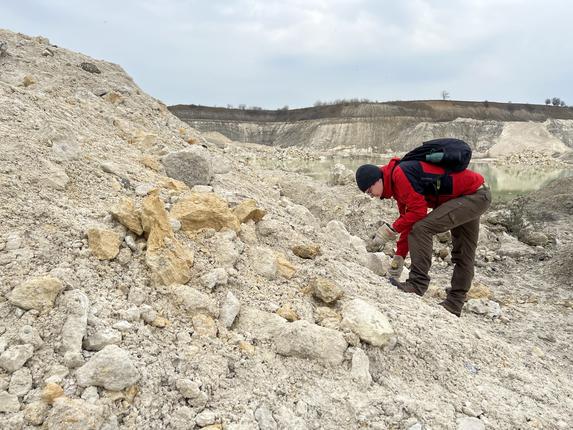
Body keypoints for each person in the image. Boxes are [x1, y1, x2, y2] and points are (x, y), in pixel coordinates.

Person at [355, 156, 491, 317]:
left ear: (377, 180)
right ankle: (454, 304)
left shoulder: (400, 175)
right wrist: (398, 260)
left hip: (473, 195)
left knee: (422, 229)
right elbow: (408, 221)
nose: (371, 196)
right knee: (464, 252)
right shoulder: (396, 183)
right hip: (475, 193)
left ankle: (417, 284)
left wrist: (389, 230)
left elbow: (417, 214)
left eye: (369, 191)